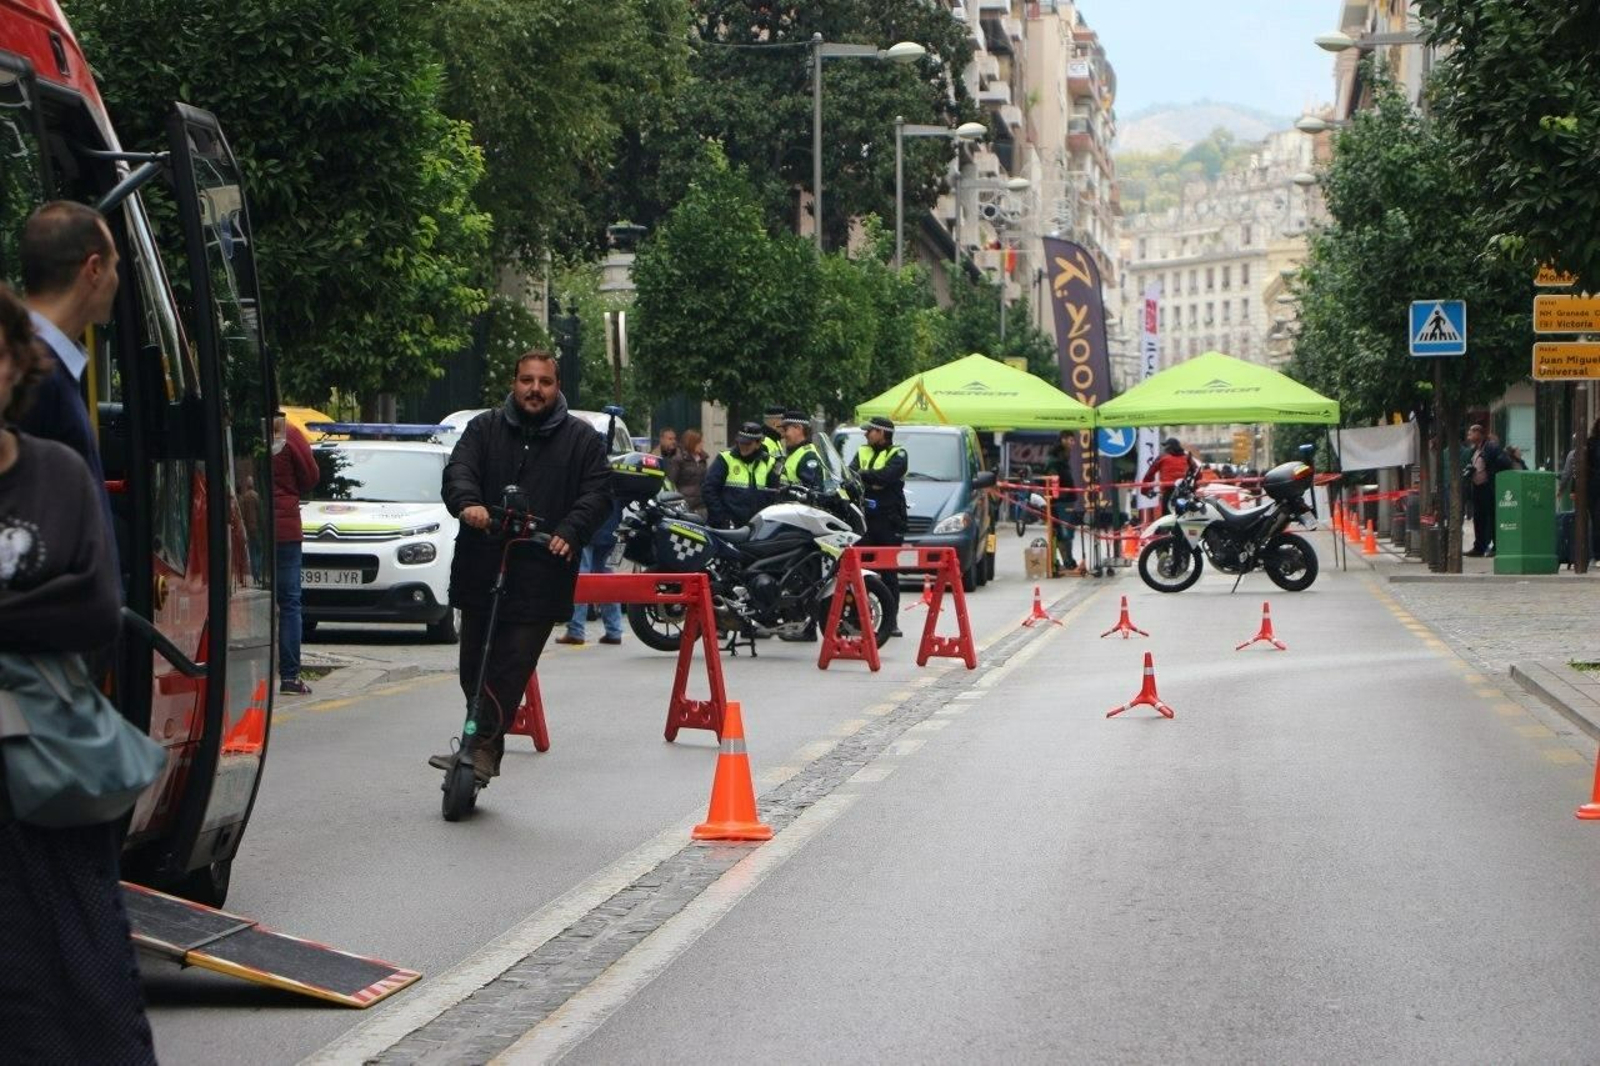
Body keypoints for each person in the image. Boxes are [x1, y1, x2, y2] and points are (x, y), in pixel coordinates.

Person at [0, 282, 157, 1064]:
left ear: (14, 365)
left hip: (52, 769)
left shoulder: (55, 473)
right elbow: (57, 602)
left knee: (85, 980)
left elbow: (94, 608)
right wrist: (30, 601)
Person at [435, 350, 611, 781]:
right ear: (514, 382)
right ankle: (480, 744)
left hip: (541, 571)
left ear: (557, 386)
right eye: (527, 380)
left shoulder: (581, 439)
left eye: (545, 382)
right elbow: (459, 470)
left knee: (511, 665)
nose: (535, 389)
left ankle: (480, 750)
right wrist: (469, 504)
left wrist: (568, 532)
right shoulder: (484, 428)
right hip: (483, 565)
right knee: (473, 666)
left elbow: (597, 493)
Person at [15, 201, 119, 562]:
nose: (116, 281)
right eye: (114, 267)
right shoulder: (30, 376)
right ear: (93, 269)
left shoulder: (42, 366)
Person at [273, 411, 319, 694]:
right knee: (289, 602)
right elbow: (311, 476)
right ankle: (289, 677)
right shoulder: (288, 433)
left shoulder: (240, 432)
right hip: (285, 529)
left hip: (245, 523)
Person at [849, 415, 908, 634]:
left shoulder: (898, 454)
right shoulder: (863, 451)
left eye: (870, 431)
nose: (866, 434)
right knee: (858, 571)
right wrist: (871, 480)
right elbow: (851, 474)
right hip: (864, 521)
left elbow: (887, 476)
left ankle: (891, 622)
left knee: (889, 573)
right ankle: (859, 617)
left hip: (889, 521)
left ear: (882, 433)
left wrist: (867, 477)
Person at [702, 421, 778, 529]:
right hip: (726, 527)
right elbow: (708, 490)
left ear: (758, 443)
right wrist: (722, 519)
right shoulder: (725, 459)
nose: (743, 446)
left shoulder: (770, 463)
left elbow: (774, 497)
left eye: (748, 443)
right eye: (741, 442)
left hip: (757, 527)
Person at [1464, 423, 1510, 557]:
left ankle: (1496, 546)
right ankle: (1479, 546)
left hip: (1488, 488)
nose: (1469, 436)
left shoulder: (1490, 447)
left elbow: (1504, 462)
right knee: (1478, 518)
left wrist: (1491, 467)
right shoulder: (1475, 449)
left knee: (1491, 517)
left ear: (1479, 433)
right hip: (1477, 488)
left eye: (1471, 433)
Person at [1041, 429, 1078, 571]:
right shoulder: (1054, 460)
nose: (1073, 443)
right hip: (1061, 501)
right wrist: (1057, 495)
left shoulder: (1062, 457)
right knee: (1064, 531)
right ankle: (1066, 560)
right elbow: (1052, 479)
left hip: (1066, 499)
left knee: (1066, 531)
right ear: (1063, 440)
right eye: (1070, 440)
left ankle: (1066, 559)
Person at [1138, 436, 1198, 514]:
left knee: (1167, 519)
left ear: (1169, 447)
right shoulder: (1187, 458)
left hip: (1169, 493)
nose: (1164, 449)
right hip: (1184, 492)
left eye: (1165, 446)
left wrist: (1145, 491)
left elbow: (1150, 474)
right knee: (1184, 517)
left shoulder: (1163, 457)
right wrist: (1194, 488)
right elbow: (1196, 472)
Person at [668, 428, 709, 516]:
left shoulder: (703, 459)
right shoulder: (678, 459)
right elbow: (671, 482)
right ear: (692, 443)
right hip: (685, 504)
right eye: (700, 442)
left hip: (702, 505)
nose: (702, 445)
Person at [778, 410, 824, 489]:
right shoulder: (796, 452)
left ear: (799, 428)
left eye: (786, 429)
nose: (783, 435)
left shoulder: (808, 456)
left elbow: (812, 493)